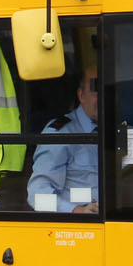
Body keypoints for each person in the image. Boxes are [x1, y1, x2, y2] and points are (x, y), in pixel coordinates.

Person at [28, 63, 99, 214]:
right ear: (81, 95)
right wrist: (77, 211)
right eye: (96, 88)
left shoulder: (124, 131)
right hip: (80, 228)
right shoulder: (61, 133)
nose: (104, 95)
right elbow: (37, 194)